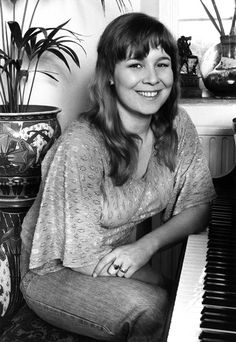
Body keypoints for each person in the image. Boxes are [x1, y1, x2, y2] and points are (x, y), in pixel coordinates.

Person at [20, 12, 216, 342]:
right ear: (111, 74)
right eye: (136, 65)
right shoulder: (82, 144)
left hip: (117, 259)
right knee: (153, 306)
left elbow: (199, 205)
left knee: (181, 299)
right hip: (54, 271)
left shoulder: (177, 125)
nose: (153, 78)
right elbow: (82, 256)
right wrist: (154, 279)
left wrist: (145, 246)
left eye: (162, 63)